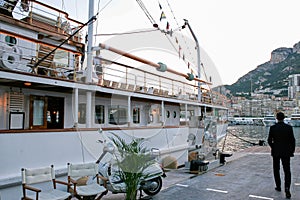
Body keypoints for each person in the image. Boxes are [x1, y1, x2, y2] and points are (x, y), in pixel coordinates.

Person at [268, 112, 295, 199]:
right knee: (287, 171)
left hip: (276, 152)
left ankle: (278, 186)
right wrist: (291, 150)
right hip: (286, 152)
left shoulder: (273, 128)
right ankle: (287, 189)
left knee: (276, 169)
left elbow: (269, 140)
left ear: (276, 118)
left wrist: (273, 147)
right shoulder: (289, 128)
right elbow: (292, 141)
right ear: (284, 118)